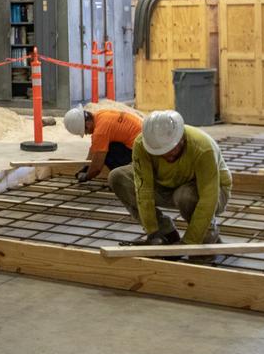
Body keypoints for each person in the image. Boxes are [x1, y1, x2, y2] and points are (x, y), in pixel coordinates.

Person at [108, 110, 233, 255]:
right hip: (169, 185)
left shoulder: (202, 147)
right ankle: (166, 233)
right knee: (118, 177)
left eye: (171, 150)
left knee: (185, 196)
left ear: (180, 138)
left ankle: (206, 236)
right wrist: (153, 231)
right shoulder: (143, 145)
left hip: (214, 191)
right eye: (160, 152)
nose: (167, 155)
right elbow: (144, 190)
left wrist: (189, 242)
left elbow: (208, 198)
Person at [63, 106, 143, 183]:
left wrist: (86, 176)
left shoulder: (100, 132)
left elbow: (97, 167)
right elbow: (94, 148)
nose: (87, 134)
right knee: (103, 148)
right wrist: (85, 165)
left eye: (85, 132)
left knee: (106, 153)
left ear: (87, 125)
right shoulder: (100, 115)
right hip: (142, 143)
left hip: (140, 153)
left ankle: (123, 179)